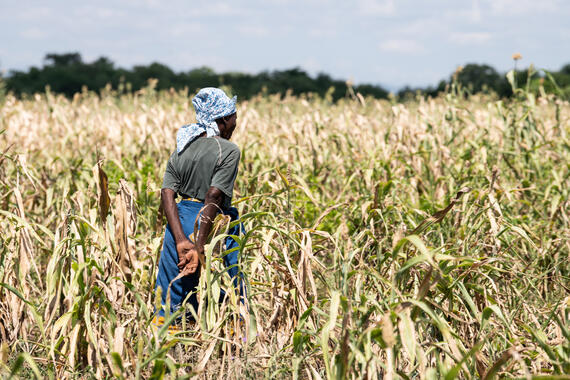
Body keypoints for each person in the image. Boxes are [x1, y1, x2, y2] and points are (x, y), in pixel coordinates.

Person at [154, 87, 244, 325]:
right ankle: (233, 340)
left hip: (179, 219)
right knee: (227, 282)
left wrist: (182, 239)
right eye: (234, 116)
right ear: (223, 119)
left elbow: (167, 193)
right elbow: (214, 195)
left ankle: (167, 344)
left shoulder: (181, 150)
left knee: (174, 286)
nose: (236, 122)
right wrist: (200, 245)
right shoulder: (228, 151)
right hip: (213, 222)